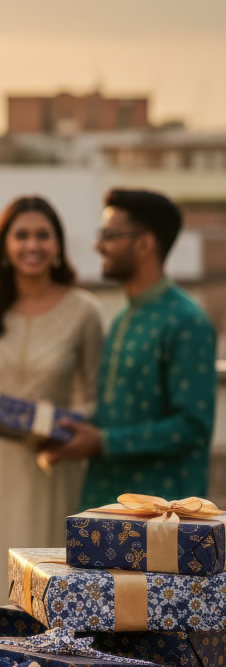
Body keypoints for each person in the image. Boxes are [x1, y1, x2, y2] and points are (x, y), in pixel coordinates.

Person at [0, 196, 103, 619]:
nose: (32, 245)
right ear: (4, 246)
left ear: (58, 245)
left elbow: (95, 399)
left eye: (42, 235)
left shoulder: (84, 311)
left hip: (49, 465)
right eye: (22, 235)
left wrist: (56, 423)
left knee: (44, 581)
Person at [44, 189, 217, 510]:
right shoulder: (124, 317)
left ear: (144, 243)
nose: (98, 246)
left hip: (160, 520)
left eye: (109, 235)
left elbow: (192, 426)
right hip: (107, 510)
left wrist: (103, 442)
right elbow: (117, 412)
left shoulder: (186, 321)